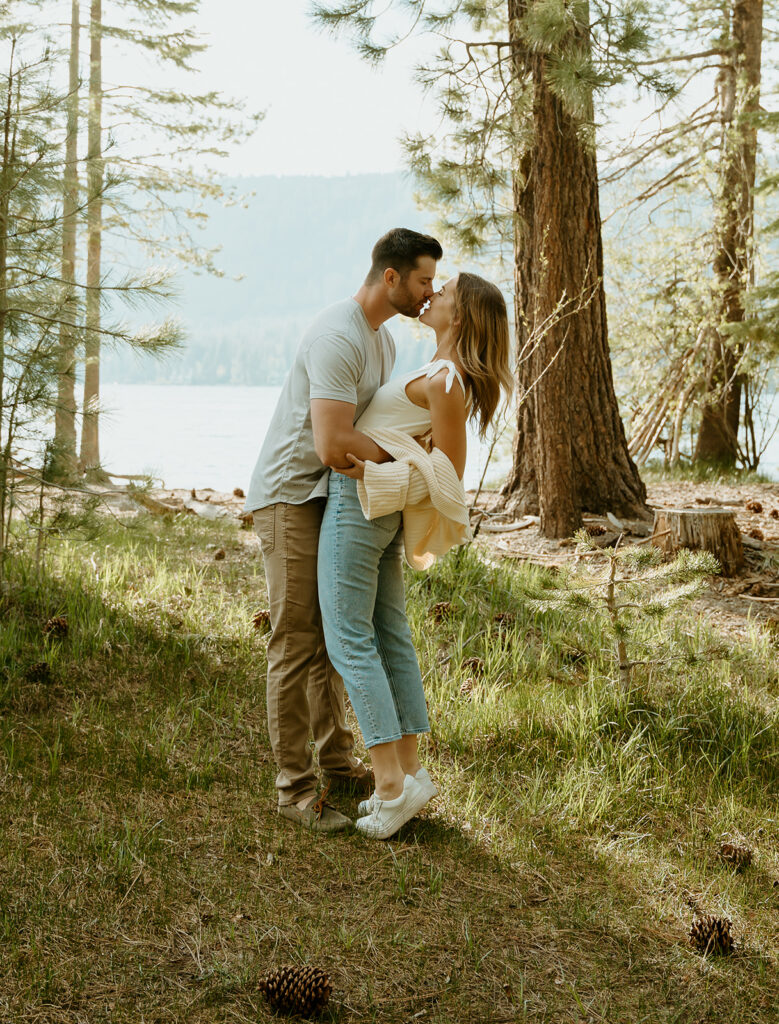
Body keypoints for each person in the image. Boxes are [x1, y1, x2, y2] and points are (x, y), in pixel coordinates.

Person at [245, 228, 443, 832]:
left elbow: (366, 436)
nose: (429, 294)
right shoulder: (339, 334)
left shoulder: (381, 343)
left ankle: (336, 760)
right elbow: (334, 445)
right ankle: (294, 789)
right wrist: (405, 460)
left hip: (330, 494)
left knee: (337, 632)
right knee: (297, 637)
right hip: (289, 495)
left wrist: (388, 455)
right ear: (391, 277)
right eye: (423, 281)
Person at [317, 272, 513, 840]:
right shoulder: (436, 371)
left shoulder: (447, 379)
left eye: (444, 290)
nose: (432, 294)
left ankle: (390, 788)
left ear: (463, 315)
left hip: (362, 506)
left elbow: (449, 475)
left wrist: (376, 477)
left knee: (349, 639)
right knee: (387, 635)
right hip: (373, 504)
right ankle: (409, 772)